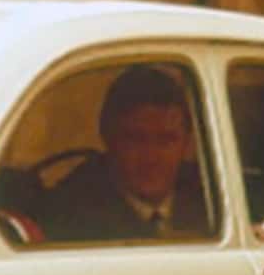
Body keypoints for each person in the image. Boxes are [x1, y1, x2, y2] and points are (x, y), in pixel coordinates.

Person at [33, 64, 212, 243]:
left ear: (187, 144)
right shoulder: (70, 212)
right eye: (136, 140)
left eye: (166, 141)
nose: (151, 157)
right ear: (108, 137)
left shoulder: (211, 195)